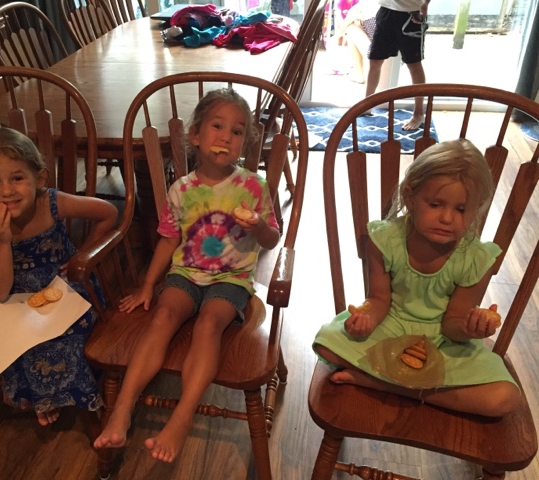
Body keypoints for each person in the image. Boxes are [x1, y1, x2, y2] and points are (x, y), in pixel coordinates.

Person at [93, 88, 280, 462]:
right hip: (185, 274)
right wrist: (148, 284)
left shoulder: (252, 186)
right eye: (217, 126)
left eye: (237, 131)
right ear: (195, 135)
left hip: (231, 279)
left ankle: (182, 415)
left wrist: (260, 225)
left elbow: (273, 239)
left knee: (209, 323)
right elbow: (168, 240)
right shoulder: (180, 190)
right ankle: (122, 408)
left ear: (245, 142)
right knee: (163, 316)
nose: (226, 136)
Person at [313, 139, 521, 418]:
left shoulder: (476, 258)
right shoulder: (385, 239)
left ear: (477, 208)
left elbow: (452, 324)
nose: (447, 218)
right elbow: (378, 299)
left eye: (461, 209)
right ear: (410, 198)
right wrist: (366, 321)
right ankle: (422, 389)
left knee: (504, 398)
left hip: (444, 341)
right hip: (389, 326)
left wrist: (470, 329)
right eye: (435, 204)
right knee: (325, 342)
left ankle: (384, 384)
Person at [0, 127, 118, 426]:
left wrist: (81, 255)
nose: (7, 191)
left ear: (39, 178)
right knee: (16, 339)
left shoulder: (50, 202)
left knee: (64, 334)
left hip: (66, 285)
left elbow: (109, 213)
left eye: (17, 178)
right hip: (13, 294)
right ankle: (41, 396)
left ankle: (59, 393)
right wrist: (1, 241)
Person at [365, 0, 431, 130]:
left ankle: (418, 114)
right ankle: (366, 106)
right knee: (375, 60)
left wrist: (425, 4)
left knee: (414, 64)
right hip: (386, 10)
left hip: (411, 14)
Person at [336, 0, 379, 83]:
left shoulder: (365, 4)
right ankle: (360, 74)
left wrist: (337, 36)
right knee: (354, 26)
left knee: (350, 28)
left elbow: (346, 22)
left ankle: (360, 74)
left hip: (378, 45)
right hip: (396, 34)